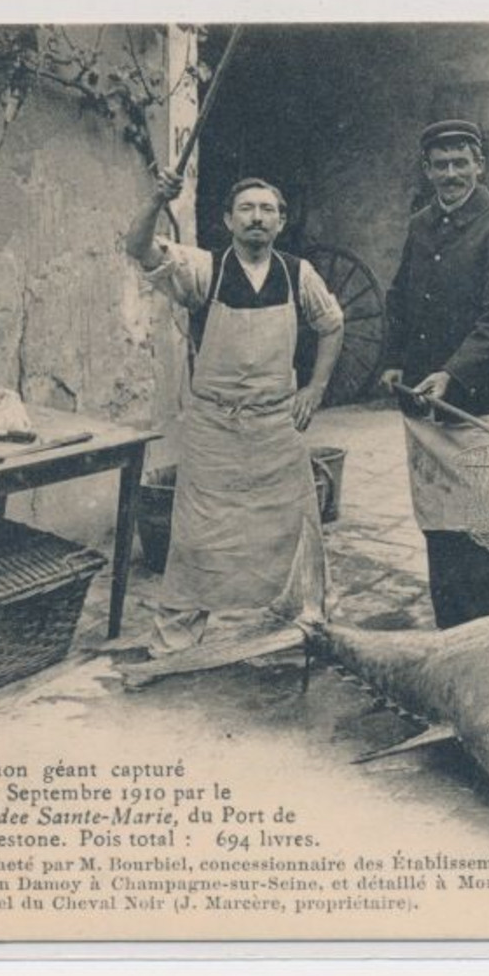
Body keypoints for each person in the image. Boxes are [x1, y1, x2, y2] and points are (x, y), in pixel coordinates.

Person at [125, 169, 344, 662]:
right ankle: (175, 643)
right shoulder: (205, 269)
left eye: (268, 210)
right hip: (214, 428)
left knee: (293, 531)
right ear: (227, 219)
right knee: (198, 538)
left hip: (275, 427)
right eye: (246, 208)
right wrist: (157, 200)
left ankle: (300, 630)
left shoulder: (297, 272)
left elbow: (332, 324)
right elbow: (138, 248)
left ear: (281, 221)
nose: (257, 218)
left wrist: (316, 387)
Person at [380, 119, 489, 629]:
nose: (451, 175)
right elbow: (400, 296)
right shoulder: (421, 224)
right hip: (425, 405)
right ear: (427, 170)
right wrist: (394, 358)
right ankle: (451, 636)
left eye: (460, 163)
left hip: (475, 403)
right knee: (441, 529)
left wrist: (451, 373)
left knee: (485, 533)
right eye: (440, 165)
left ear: (479, 165)